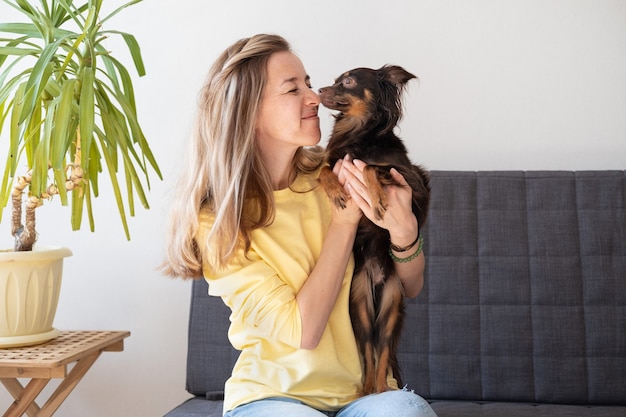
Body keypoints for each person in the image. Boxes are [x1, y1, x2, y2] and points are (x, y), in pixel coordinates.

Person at [162, 33, 437, 417]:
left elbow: (409, 285)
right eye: (293, 89)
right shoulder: (219, 222)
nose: (314, 97)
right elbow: (304, 332)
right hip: (272, 399)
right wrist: (343, 223)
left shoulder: (343, 170)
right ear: (248, 111)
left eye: (308, 83)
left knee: (407, 412)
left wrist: (405, 233)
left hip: (368, 397)